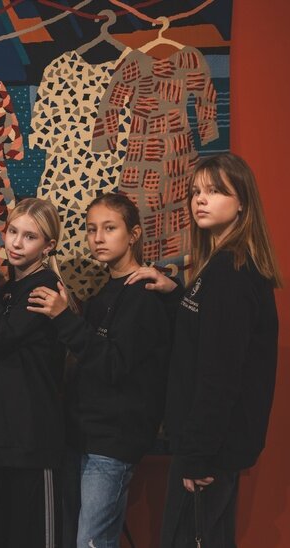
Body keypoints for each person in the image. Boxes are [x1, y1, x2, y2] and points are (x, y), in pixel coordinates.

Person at [126, 153, 281, 548]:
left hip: (208, 453)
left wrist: (197, 455)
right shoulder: (220, 266)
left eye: (214, 191)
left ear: (241, 201)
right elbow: (209, 335)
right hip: (210, 447)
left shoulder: (231, 272)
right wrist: (176, 294)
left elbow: (220, 375)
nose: (200, 200)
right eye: (196, 192)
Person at [28, 193, 171, 548]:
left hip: (112, 444)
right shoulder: (103, 294)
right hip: (81, 437)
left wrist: (64, 318)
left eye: (109, 228)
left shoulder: (145, 294)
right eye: (91, 229)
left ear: (133, 234)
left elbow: (112, 365)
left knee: (91, 542)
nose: (98, 238)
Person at [0, 197, 70, 548]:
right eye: (13, 232)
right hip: (3, 440)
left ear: (48, 245)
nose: (17, 243)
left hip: (33, 442)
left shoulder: (43, 289)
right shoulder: (9, 290)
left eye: (30, 236)